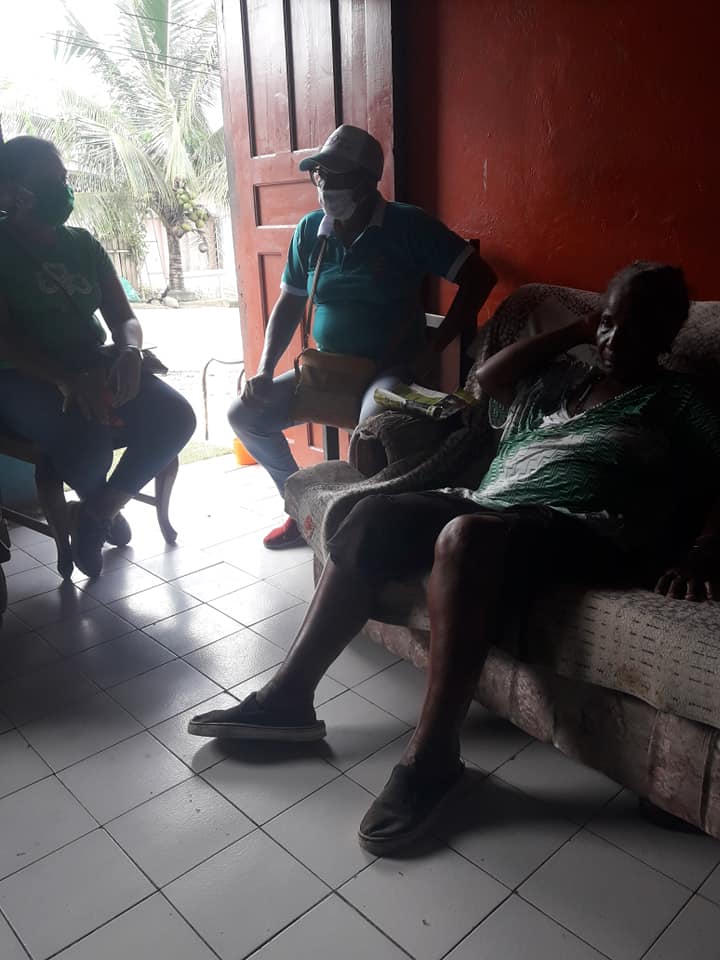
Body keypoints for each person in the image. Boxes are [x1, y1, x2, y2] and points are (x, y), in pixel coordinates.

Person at [191, 261, 720, 856]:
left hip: (585, 527)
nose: (615, 340)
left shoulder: (679, 399)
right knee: (370, 515)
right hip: (491, 503)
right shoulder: (561, 380)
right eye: (608, 323)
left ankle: (434, 758)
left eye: (636, 327)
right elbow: (489, 379)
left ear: (668, 336)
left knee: (465, 538)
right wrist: (576, 331)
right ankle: (290, 699)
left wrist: (703, 551)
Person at [228, 124, 497, 549]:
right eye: (321, 174)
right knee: (244, 416)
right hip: (328, 370)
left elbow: (480, 277)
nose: (326, 184)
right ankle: (302, 509)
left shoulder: (408, 225)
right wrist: (263, 369)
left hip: (387, 372)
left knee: (370, 431)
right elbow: (289, 303)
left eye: (340, 175)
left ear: (369, 181)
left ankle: (357, 527)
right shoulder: (311, 231)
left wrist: (435, 347)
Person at [0, 136, 196, 578]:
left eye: (63, 177)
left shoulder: (82, 244)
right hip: (22, 375)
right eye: (48, 181)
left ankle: (99, 509)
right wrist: (66, 379)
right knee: (86, 439)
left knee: (176, 416)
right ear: (15, 192)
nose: (62, 188)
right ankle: (101, 504)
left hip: (91, 360)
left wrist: (130, 351)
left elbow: (124, 317)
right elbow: (4, 342)